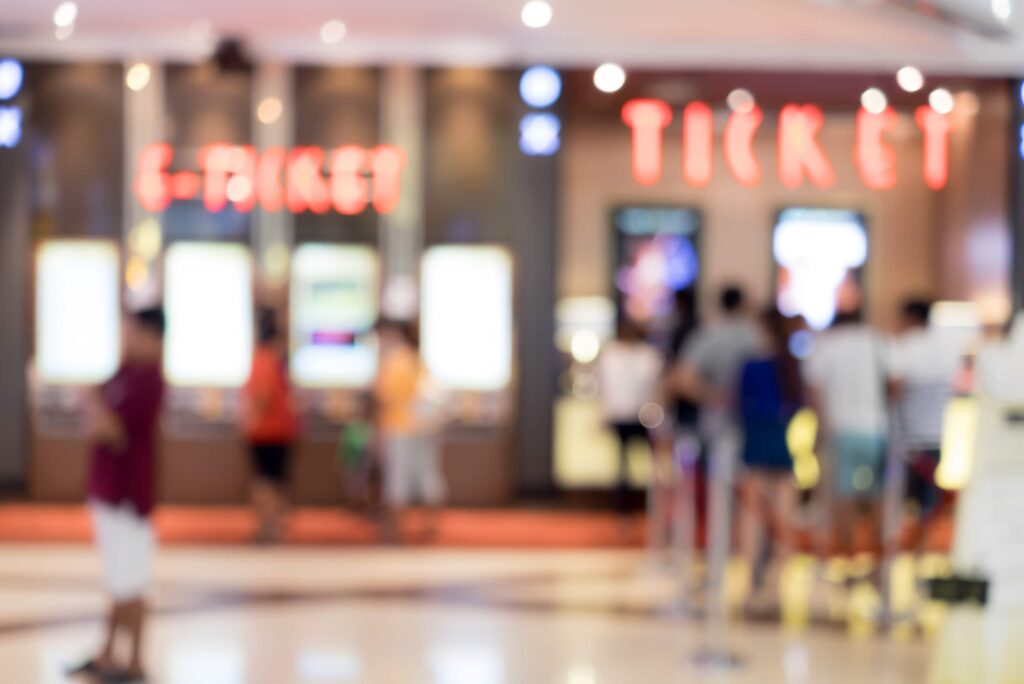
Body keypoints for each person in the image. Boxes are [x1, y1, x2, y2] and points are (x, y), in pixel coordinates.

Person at [70, 308, 166, 684]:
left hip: (129, 496)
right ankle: (109, 651)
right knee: (118, 578)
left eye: (134, 333)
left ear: (152, 337)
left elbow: (111, 428)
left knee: (133, 581)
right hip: (108, 492)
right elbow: (96, 420)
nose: (128, 339)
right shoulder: (125, 373)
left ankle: (136, 661)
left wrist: (94, 406)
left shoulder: (149, 381)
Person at [804, 308, 889, 566]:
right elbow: (895, 383)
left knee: (842, 496)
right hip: (875, 429)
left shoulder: (826, 345)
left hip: (840, 430)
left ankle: (847, 558)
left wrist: (820, 428)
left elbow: (814, 390)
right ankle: (877, 562)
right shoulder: (878, 342)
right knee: (876, 496)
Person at [736, 308, 803, 609]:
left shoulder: (752, 365)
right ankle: (778, 585)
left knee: (753, 515)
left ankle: (752, 583)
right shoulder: (790, 365)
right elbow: (799, 404)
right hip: (780, 439)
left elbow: (738, 405)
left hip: (755, 439)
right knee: (782, 515)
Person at [375, 319, 447, 541]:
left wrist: (377, 432)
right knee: (427, 475)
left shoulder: (393, 361)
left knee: (397, 479)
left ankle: (394, 530)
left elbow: (383, 399)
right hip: (424, 428)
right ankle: (431, 527)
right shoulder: (416, 360)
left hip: (399, 427)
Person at [242, 307, 300, 545]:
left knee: (265, 481)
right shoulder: (274, 361)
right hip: (279, 429)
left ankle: (269, 526)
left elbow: (262, 396)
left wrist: (249, 418)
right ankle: (273, 525)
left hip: (266, 431)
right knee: (275, 480)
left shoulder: (263, 360)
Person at [596, 319, 664, 513]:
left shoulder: (640, 355)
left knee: (633, 465)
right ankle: (630, 507)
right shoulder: (643, 355)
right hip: (631, 415)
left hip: (636, 416)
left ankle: (638, 507)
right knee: (627, 466)